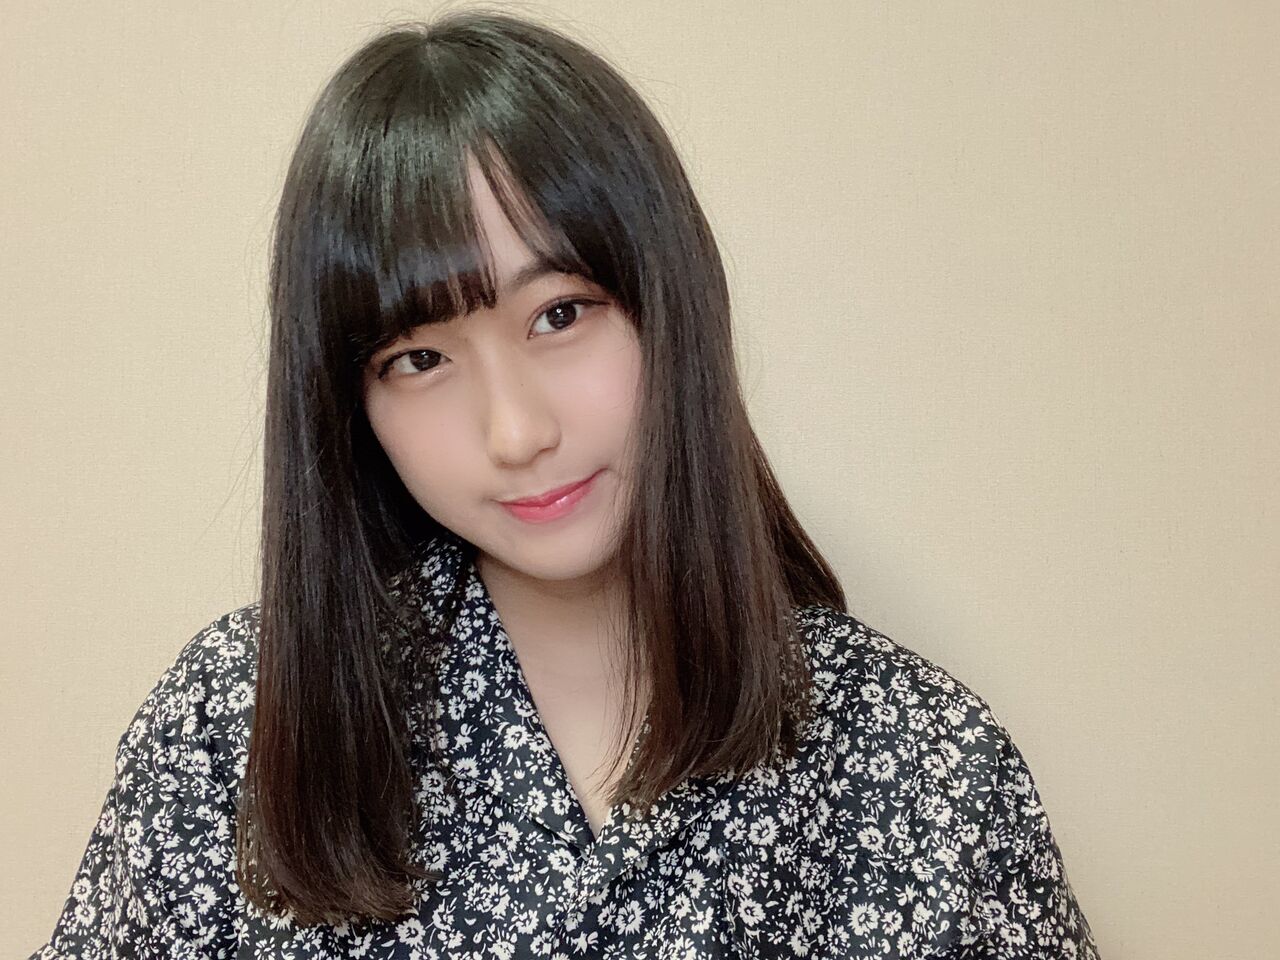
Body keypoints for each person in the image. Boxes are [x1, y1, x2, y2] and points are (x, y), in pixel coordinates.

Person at [30, 9, 1100, 959]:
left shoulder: (922, 763)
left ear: (668, 306)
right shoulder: (234, 730)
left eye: (559, 314)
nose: (515, 431)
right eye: (418, 357)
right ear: (350, 403)